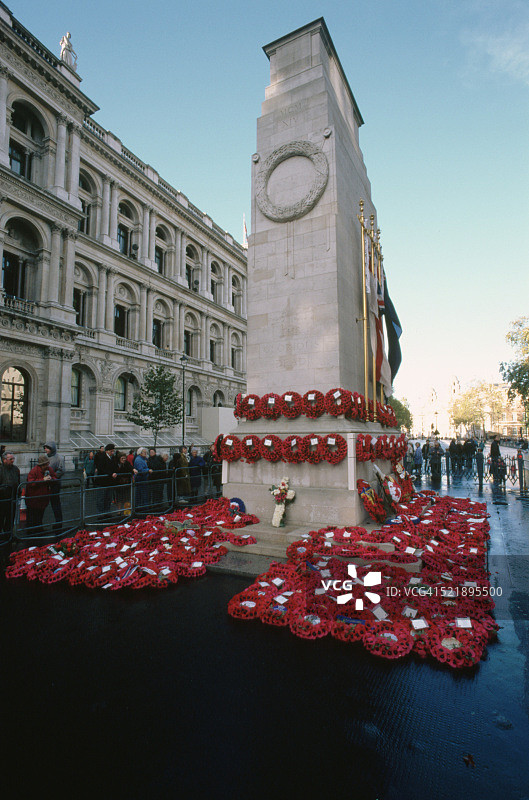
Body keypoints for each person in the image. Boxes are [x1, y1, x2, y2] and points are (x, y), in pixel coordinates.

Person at [26, 455, 57, 534]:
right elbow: (30, 483)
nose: (47, 466)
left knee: (40, 515)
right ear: (41, 465)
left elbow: (55, 477)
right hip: (34, 498)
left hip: (43, 498)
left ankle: (39, 529)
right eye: (46, 464)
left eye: (47, 464)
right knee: (32, 515)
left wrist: (51, 479)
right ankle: (30, 531)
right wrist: (42, 480)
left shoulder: (49, 469)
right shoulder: (34, 471)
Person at [44, 441, 64, 532]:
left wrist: (53, 476)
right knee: (43, 503)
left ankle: (58, 522)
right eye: (45, 448)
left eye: (47, 448)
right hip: (45, 484)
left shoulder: (59, 457)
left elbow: (61, 470)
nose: (46, 450)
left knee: (55, 503)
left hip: (55, 484)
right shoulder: (45, 457)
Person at [0, 452, 21, 533]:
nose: (12, 461)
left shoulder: (15, 469)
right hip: (2, 498)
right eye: (10, 459)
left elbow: (18, 481)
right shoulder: (1, 469)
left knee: (10, 517)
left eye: (13, 459)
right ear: (4, 460)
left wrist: (18, 492)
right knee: (1, 517)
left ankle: (8, 534)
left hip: (12, 497)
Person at [96, 443, 118, 512]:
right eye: (111, 451)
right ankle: (101, 513)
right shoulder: (102, 457)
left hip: (110, 482)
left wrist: (115, 472)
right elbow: (101, 468)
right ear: (107, 451)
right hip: (102, 482)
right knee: (101, 498)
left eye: (113, 451)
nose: (112, 452)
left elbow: (115, 466)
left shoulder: (113, 458)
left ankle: (107, 511)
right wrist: (111, 473)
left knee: (108, 498)